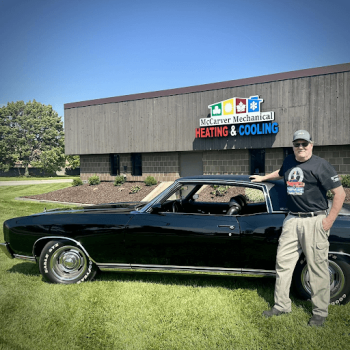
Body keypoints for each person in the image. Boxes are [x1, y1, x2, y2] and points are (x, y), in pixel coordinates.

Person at [250, 130, 345, 327]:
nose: (300, 147)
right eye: (297, 144)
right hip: (292, 220)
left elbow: (340, 194)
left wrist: (329, 221)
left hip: (314, 220)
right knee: (283, 264)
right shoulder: (289, 160)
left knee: (317, 267)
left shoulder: (321, 165)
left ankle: (320, 312)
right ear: (293, 145)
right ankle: (281, 305)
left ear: (311, 144)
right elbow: (281, 172)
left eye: (304, 143)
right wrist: (263, 178)